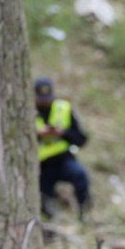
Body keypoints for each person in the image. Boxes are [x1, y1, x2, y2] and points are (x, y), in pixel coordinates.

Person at [34, 76, 91, 218]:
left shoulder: (63, 108)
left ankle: (84, 213)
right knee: (43, 195)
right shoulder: (26, 112)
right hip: (40, 165)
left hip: (63, 159)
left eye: (47, 98)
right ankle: (47, 220)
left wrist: (62, 133)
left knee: (80, 176)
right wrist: (38, 134)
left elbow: (81, 139)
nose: (45, 101)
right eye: (41, 98)